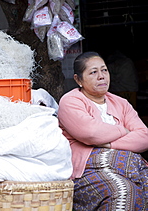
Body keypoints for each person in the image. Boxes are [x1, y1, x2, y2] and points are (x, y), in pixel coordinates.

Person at [57, 51, 148, 210]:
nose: (101, 76)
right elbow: (90, 133)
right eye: (93, 72)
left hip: (126, 170)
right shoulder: (70, 101)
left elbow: (144, 138)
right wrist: (123, 130)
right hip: (86, 171)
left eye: (104, 70)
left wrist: (107, 144)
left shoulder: (121, 103)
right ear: (78, 80)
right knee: (124, 192)